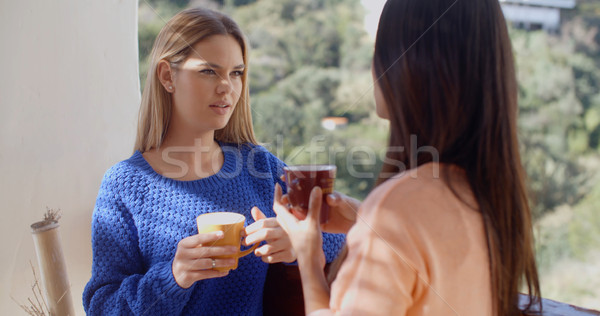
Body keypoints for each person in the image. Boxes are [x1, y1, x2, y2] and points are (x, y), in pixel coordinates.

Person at [272, 0, 542, 315]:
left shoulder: (398, 207)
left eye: (380, 51)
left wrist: (308, 257)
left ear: (411, 65)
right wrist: (364, 222)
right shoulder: (490, 194)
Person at [82, 7, 345, 315]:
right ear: (168, 76)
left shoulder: (258, 167)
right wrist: (174, 276)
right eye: (209, 71)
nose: (227, 87)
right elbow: (101, 306)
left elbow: (339, 238)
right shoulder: (124, 185)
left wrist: (298, 244)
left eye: (236, 73)